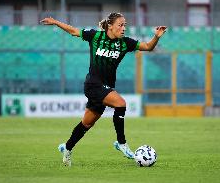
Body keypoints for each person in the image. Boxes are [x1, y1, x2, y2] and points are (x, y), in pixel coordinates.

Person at [40, 12, 167, 167]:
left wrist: (157, 37)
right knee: (121, 104)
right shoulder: (95, 37)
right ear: (110, 26)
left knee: (86, 124)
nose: (123, 28)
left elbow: (147, 47)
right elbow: (74, 31)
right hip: (93, 84)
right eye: (120, 25)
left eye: (125, 25)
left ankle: (67, 148)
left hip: (105, 88)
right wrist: (55, 22)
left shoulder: (125, 43)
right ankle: (121, 143)